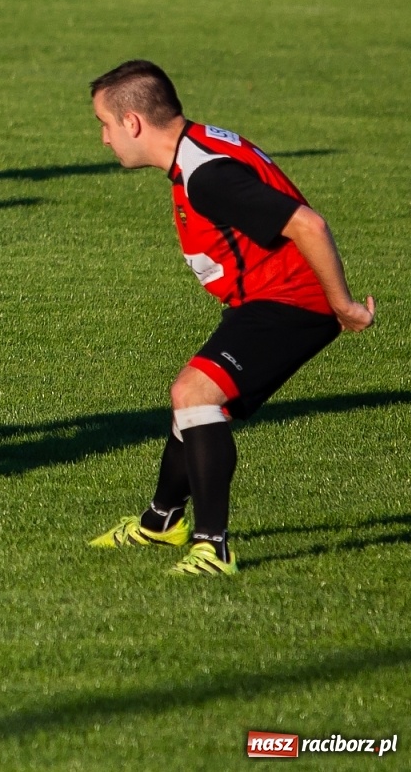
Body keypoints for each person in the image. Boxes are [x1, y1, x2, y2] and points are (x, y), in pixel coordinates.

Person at [86, 60, 374, 576]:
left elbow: (308, 225)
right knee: (193, 401)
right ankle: (161, 521)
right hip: (268, 297)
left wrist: (344, 306)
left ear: (133, 122)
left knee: (195, 394)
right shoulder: (196, 147)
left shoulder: (206, 176)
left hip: (293, 301)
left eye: (105, 124)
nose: (105, 138)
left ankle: (212, 548)